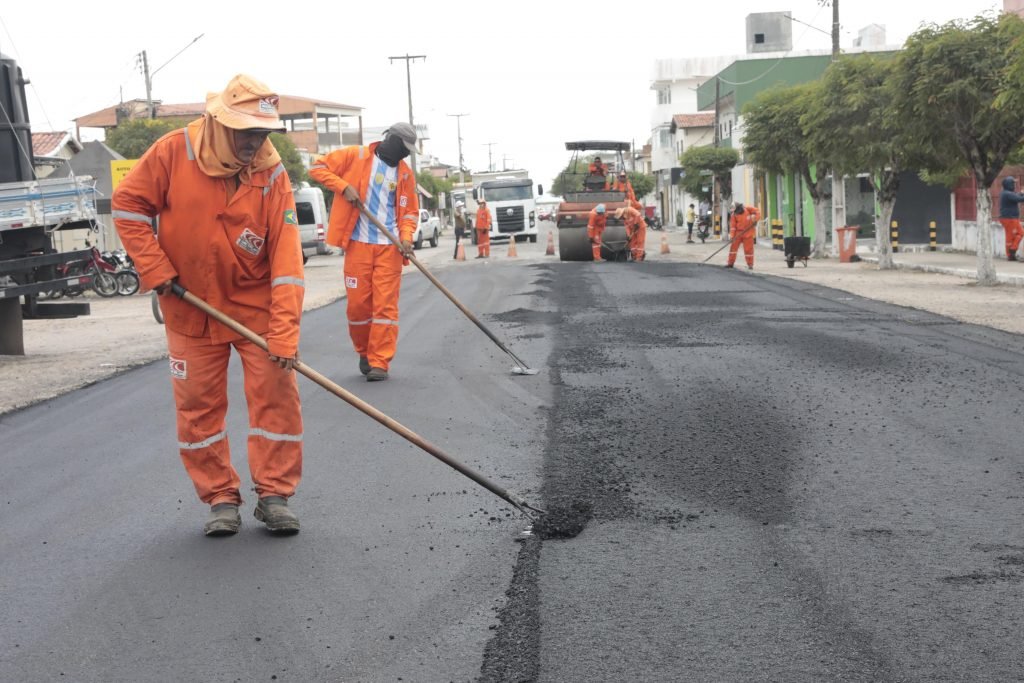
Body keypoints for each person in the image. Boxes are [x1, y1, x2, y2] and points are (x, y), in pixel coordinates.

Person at [112, 74, 305, 537]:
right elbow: (128, 205)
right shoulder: (172, 152)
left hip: (255, 307)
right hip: (189, 306)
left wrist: (284, 331)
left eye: (261, 133)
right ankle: (220, 496)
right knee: (198, 408)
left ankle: (274, 494)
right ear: (218, 122)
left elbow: (285, 257)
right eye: (246, 131)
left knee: (277, 396)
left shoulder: (270, 171)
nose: (254, 142)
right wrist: (155, 268)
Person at [308, 123, 419, 383]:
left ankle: (380, 361)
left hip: (389, 248)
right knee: (358, 307)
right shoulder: (354, 156)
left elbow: (410, 213)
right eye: (404, 148)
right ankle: (364, 352)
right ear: (390, 139)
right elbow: (316, 167)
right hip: (357, 244)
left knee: (385, 308)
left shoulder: (404, 175)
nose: (406, 155)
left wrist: (405, 238)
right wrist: (343, 186)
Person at [726, 202, 761, 270]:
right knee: (733, 249)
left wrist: (755, 219)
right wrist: (732, 236)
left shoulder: (748, 209)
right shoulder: (734, 215)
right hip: (738, 233)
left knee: (748, 250)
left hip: (748, 232)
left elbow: (757, 212)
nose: (735, 212)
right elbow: (733, 227)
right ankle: (730, 263)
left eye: (735, 211)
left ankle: (750, 264)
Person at [998, 176, 1024, 261]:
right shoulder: (1007, 194)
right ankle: (1010, 254)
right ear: (1009, 184)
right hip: (1009, 218)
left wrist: (1021, 193)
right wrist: (1022, 194)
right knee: (1010, 237)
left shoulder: (1006, 193)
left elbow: (1016, 195)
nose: (1014, 185)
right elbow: (1019, 198)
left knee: (1020, 233)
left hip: (1012, 218)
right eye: (1013, 183)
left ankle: (1012, 250)